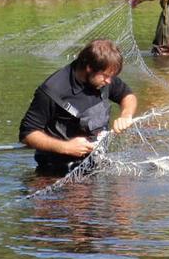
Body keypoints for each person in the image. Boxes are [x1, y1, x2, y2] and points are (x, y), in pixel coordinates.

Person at [19, 39, 138, 173]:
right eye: (105, 76)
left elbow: (127, 96)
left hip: (96, 162)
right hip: (58, 169)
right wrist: (66, 147)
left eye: (112, 76)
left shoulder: (104, 77)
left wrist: (126, 115)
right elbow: (27, 134)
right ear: (89, 68)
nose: (109, 81)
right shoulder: (52, 90)